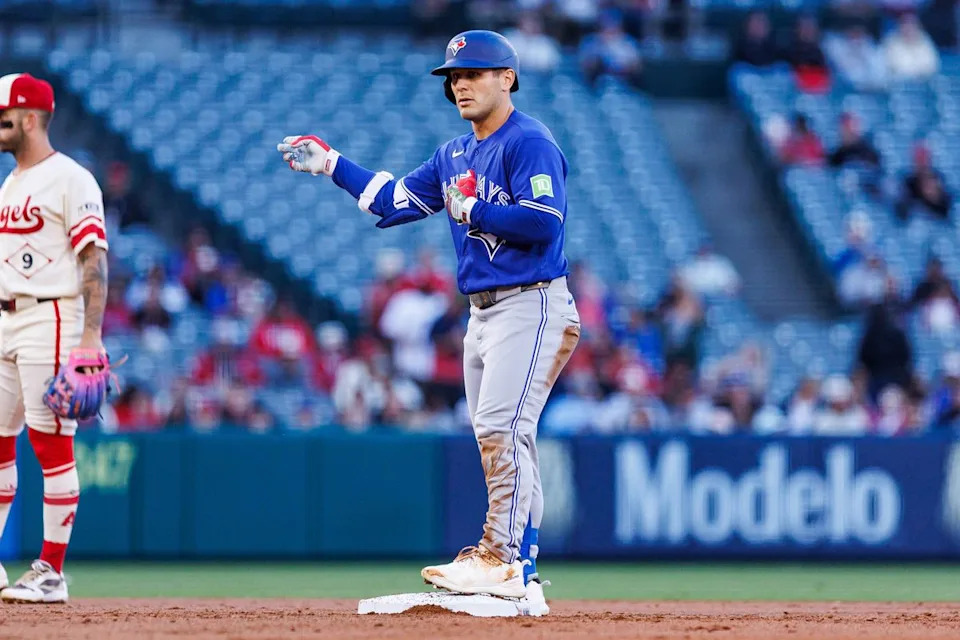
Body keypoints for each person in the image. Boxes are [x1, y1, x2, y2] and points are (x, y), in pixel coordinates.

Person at [277, 31, 579, 614]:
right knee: (507, 434)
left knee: (500, 427)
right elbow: (391, 204)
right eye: (453, 76)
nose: (460, 83)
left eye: (474, 72)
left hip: (533, 301)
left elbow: (545, 222)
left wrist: (477, 210)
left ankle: (500, 558)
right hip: (483, 311)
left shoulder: (529, 140)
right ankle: (525, 577)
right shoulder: (454, 154)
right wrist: (333, 163)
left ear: (507, 78)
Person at [0, 74, 110, 603]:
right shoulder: (11, 181)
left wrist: (90, 336)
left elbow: (94, 259)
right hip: (6, 318)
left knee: (49, 443)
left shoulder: (71, 178)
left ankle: (51, 570)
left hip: (53, 317)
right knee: (0, 445)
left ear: (27, 118)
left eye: (3, 116)